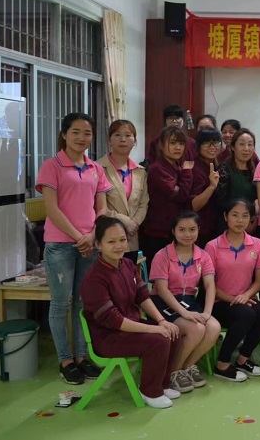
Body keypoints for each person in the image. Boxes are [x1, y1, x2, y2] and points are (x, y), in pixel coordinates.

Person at [36, 112, 110, 384]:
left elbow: (102, 208)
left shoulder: (95, 168)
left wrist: (92, 236)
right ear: (64, 134)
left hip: (89, 244)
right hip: (60, 245)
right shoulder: (52, 166)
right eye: (76, 132)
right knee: (60, 304)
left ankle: (82, 356)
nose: (81, 137)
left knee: (83, 302)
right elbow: (51, 209)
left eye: (87, 133)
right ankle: (65, 361)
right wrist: (80, 237)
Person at [81, 216, 181, 408]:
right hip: (109, 337)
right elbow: (113, 320)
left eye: (122, 240)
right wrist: (154, 329)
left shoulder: (127, 264)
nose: (119, 246)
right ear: (98, 244)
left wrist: (161, 321)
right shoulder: (94, 278)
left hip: (131, 327)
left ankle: (162, 384)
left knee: (172, 332)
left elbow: (142, 295)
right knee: (159, 340)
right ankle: (150, 392)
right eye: (111, 242)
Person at [150, 211, 221, 394]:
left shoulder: (203, 256)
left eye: (192, 229)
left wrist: (207, 313)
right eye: (182, 230)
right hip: (163, 302)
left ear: (198, 230)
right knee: (196, 329)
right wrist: (184, 313)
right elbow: (162, 290)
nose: (187, 234)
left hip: (189, 301)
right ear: (173, 231)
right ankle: (172, 372)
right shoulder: (162, 255)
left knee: (213, 327)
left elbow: (210, 285)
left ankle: (186, 367)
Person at [205, 200, 260, 381]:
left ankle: (243, 359)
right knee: (246, 315)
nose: (240, 220)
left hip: (245, 299)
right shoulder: (212, 246)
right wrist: (234, 299)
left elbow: (259, 281)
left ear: (251, 219)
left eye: (245, 216)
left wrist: (245, 295)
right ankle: (222, 364)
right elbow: (209, 285)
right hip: (219, 302)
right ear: (226, 217)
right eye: (235, 215)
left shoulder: (258, 244)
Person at [141, 126, 194, 272]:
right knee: (160, 277)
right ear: (161, 145)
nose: (178, 147)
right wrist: (188, 172)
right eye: (173, 143)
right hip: (158, 233)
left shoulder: (176, 166)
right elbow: (181, 195)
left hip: (173, 231)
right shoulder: (157, 169)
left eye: (181, 143)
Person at [97, 119, 149, 260]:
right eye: (117, 135)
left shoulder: (140, 171)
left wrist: (135, 223)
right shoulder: (98, 168)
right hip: (107, 236)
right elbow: (99, 205)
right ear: (109, 141)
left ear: (134, 141)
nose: (123, 140)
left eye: (128, 135)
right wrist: (126, 222)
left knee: (129, 272)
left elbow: (144, 203)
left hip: (132, 237)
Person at [216, 128, 259, 233]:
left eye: (250, 144)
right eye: (242, 144)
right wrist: (241, 221)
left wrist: (253, 217)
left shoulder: (255, 169)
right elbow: (220, 202)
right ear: (233, 147)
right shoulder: (224, 169)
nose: (246, 148)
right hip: (229, 224)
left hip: (251, 223)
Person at [190, 128, 223, 247]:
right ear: (198, 146)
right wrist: (211, 187)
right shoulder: (196, 168)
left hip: (214, 226)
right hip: (201, 228)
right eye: (206, 143)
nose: (212, 147)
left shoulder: (216, 164)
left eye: (216, 142)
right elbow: (194, 205)